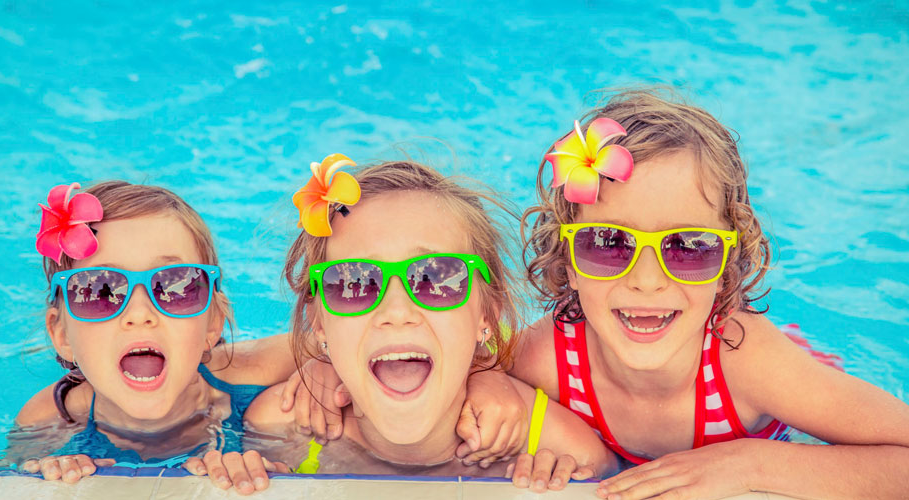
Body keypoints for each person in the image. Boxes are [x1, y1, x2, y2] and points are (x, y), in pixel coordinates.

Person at [511, 89, 909, 499]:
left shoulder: (748, 361)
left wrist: (750, 462)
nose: (647, 281)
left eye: (688, 246)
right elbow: (460, 373)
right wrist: (497, 392)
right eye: (608, 242)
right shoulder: (549, 358)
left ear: (727, 266)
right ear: (568, 259)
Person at [184, 159, 617, 494]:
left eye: (436, 278)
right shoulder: (284, 429)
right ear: (319, 325)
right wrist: (238, 474)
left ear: (487, 315)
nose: (396, 311)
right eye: (354, 283)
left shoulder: (558, 446)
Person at [8, 181, 300, 483]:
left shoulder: (253, 370)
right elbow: (5, 479)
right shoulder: (47, 419)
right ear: (62, 336)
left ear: (213, 323)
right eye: (100, 290)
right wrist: (50, 469)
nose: (140, 314)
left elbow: (324, 344)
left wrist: (321, 370)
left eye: (176, 285)